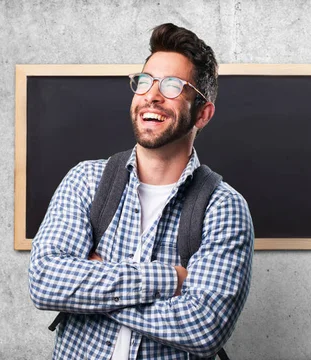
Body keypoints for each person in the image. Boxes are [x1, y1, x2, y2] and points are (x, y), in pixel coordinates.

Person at [28, 23, 254, 360]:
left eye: (173, 86)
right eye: (145, 81)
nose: (152, 95)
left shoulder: (223, 207)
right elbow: (46, 281)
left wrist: (88, 292)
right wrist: (168, 279)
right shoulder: (86, 181)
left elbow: (204, 326)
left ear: (203, 114)